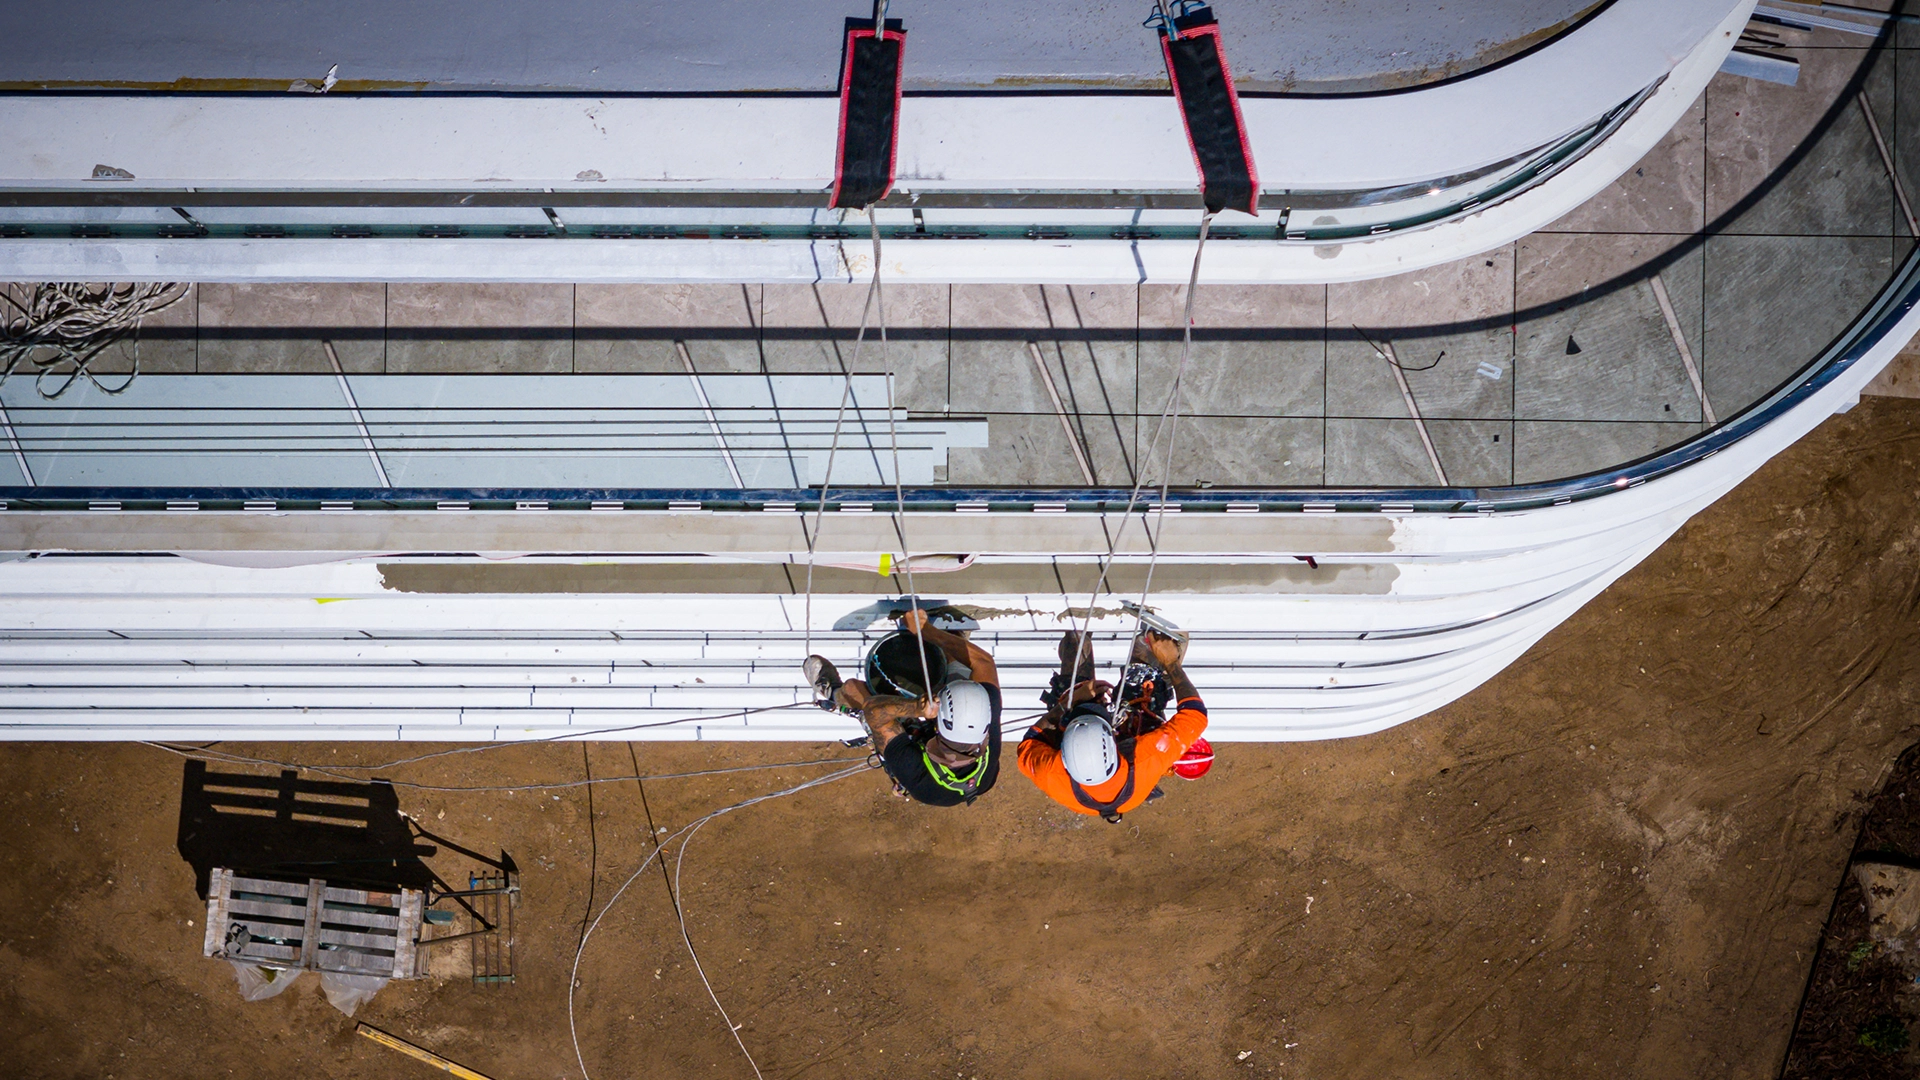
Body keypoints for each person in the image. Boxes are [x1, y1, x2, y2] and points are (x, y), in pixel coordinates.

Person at [804, 608, 1002, 807]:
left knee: (854, 689)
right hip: (970, 770)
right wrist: (926, 631)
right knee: (954, 651)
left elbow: (875, 712)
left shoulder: (917, 773)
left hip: (925, 772)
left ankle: (835, 695)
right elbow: (984, 662)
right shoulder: (984, 707)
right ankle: (950, 644)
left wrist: (916, 708)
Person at [1018, 626, 1207, 822]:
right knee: (1148, 668)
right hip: (1134, 761)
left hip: (1081, 756)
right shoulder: (1144, 759)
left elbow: (1029, 743)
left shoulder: (1051, 772)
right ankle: (1157, 639)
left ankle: (1076, 636)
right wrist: (1170, 662)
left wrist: (1067, 704)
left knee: (1072, 679)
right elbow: (1195, 715)